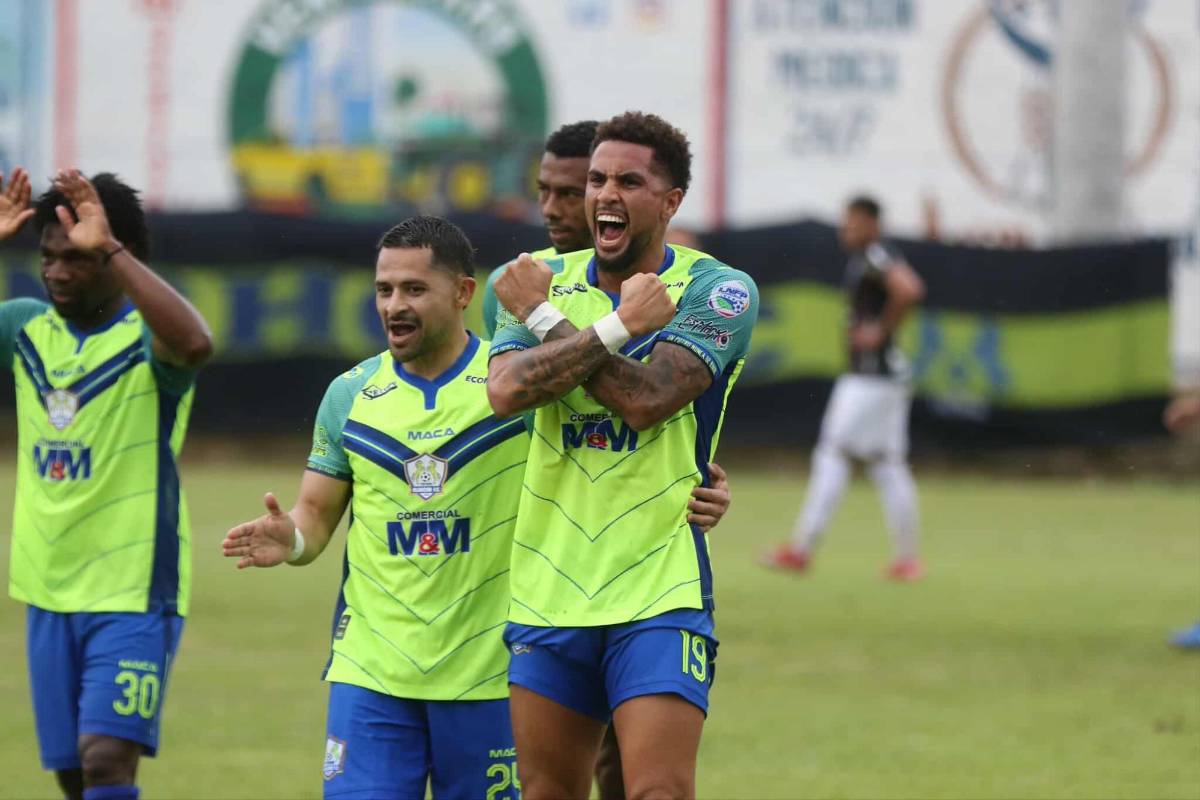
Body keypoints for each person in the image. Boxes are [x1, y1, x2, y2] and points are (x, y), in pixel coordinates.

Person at [220, 215, 732, 799]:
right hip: (372, 672)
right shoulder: (349, 394)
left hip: (492, 673)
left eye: (414, 290)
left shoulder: (526, 383)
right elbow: (313, 515)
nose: (395, 306)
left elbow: (606, 457)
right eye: (384, 290)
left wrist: (705, 486)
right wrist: (291, 539)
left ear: (465, 293)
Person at [487, 111, 759, 799]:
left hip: (658, 588)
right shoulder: (532, 279)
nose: (605, 193)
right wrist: (612, 325)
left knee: (656, 793)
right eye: (598, 179)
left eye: (629, 181)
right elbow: (509, 391)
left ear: (670, 202)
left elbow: (649, 399)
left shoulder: (716, 289)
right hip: (549, 589)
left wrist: (554, 324)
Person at [0, 167, 213, 800]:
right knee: (73, 776)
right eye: (47, 257)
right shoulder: (24, 328)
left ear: (116, 258)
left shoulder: (148, 339)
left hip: (133, 588)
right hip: (47, 585)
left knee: (105, 762)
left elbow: (196, 343)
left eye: (78, 258)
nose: (57, 272)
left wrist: (111, 248)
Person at [763, 196, 926, 580]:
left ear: (872, 224)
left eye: (852, 223)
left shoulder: (876, 255)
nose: (845, 230)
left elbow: (909, 289)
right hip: (887, 377)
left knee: (832, 453)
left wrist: (879, 332)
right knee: (888, 465)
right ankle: (907, 559)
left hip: (870, 377)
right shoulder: (870, 256)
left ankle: (801, 550)